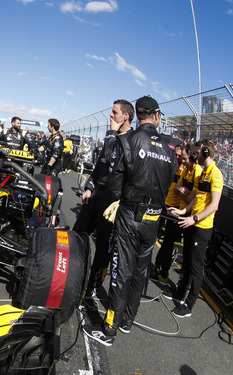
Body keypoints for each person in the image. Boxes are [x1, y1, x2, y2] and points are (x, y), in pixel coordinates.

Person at [82, 96, 179, 346]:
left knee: (121, 270)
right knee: (140, 270)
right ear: (157, 116)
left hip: (130, 215)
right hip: (154, 219)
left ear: (136, 115)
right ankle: (126, 321)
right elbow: (169, 183)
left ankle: (110, 329)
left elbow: (115, 185)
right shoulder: (170, 148)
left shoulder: (127, 140)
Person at [75, 100, 134, 299]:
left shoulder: (131, 140)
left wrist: (112, 133)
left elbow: (111, 160)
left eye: (114, 112)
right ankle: (71, 272)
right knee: (77, 234)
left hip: (113, 202)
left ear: (125, 116)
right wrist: (90, 188)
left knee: (103, 249)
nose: (111, 116)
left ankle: (93, 285)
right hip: (96, 195)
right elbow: (101, 164)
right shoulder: (112, 137)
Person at [165, 140, 223, 317]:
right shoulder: (204, 173)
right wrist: (184, 211)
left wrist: (194, 219)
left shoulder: (216, 175)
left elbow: (214, 206)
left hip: (201, 227)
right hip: (192, 221)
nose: (193, 156)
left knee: (196, 267)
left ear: (206, 152)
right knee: (187, 262)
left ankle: (189, 305)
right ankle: (179, 293)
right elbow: (197, 198)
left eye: (197, 152)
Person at [152, 142, 193, 283]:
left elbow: (187, 194)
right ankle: (156, 266)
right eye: (176, 155)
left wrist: (180, 192)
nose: (178, 158)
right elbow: (176, 188)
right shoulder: (174, 166)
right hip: (165, 204)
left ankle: (163, 271)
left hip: (177, 210)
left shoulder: (188, 171)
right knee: (157, 236)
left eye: (181, 156)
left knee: (168, 242)